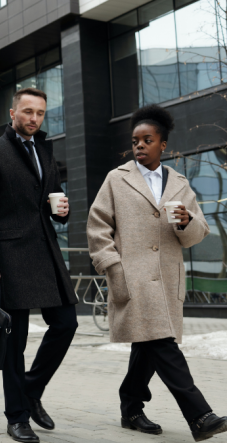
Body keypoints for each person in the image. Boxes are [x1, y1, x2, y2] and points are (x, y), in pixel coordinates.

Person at [87, 104, 227, 442]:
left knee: (148, 345)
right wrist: (112, 265)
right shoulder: (117, 180)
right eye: (135, 140)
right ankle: (200, 415)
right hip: (131, 277)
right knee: (163, 343)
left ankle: (131, 406)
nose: (139, 145)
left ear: (163, 144)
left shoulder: (179, 183)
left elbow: (199, 231)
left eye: (147, 140)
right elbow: (97, 226)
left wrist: (185, 222)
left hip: (167, 280)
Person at [0, 87, 78, 443]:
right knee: (14, 342)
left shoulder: (44, 150)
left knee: (66, 322)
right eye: (28, 111)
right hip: (10, 257)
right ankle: (16, 415)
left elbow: (50, 199)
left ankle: (30, 389)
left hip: (46, 251)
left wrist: (62, 211)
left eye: (40, 113)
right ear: (13, 112)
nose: (34, 118)